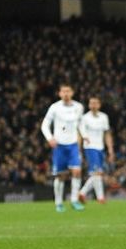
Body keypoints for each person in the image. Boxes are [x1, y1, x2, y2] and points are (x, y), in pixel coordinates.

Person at [41, 84, 85, 212]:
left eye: (68, 91)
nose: (66, 93)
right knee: (61, 175)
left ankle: (74, 200)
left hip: (73, 144)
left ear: (72, 92)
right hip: (59, 145)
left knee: (77, 172)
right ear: (59, 93)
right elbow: (44, 125)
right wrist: (50, 138)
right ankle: (59, 203)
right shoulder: (55, 107)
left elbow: (80, 123)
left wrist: (84, 136)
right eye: (63, 91)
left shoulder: (78, 107)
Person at [78, 96, 114, 204]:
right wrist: (78, 149)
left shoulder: (104, 117)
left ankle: (97, 197)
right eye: (91, 103)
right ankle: (87, 194)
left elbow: (107, 134)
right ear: (89, 105)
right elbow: (80, 134)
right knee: (97, 172)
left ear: (99, 105)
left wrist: (110, 149)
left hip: (100, 147)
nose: (93, 105)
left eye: (95, 103)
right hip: (90, 147)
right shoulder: (84, 118)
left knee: (97, 173)